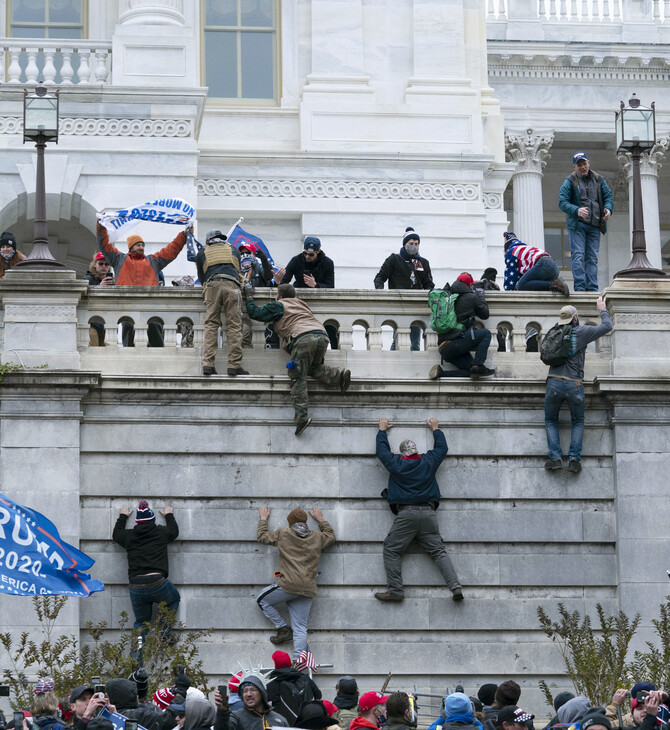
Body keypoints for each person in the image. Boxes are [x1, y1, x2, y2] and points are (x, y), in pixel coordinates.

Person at [375, 417, 463, 602]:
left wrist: (382, 431)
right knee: (439, 551)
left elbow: (382, 452)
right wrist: (436, 429)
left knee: (391, 549)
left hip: (406, 514)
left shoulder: (396, 464)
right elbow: (442, 449)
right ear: (416, 451)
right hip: (429, 514)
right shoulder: (428, 461)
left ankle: (396, 591)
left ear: (402, 454)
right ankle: (455, 587)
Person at [245, 283, 351, 436]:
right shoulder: (302, 304)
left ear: (279, 296)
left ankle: (301, 418)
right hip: (322, 336)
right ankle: (339, 377)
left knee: (297, 375)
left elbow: (255, 313)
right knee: (311, 368)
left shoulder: (279, 305)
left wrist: (249, 296)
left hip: (303, 339)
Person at [256, 507, 336, 658]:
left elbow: (262, 536)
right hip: (308, 589)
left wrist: (263, 519)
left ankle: (283, 628)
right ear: (306, 521)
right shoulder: (317, 537)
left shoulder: (283, 533)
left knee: (262, 599)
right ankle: (299, 662)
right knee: (300, 628)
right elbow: (331, 536)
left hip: (288, 585)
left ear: (289, 522)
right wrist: (320, 519)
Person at [544, 297, 612, 473]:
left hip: (553, 381)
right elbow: (607, 327)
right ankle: (574, 460)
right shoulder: (581, 332)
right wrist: (602, 309)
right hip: (574, 382)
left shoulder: (554, 332)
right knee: (578, 421)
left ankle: (555, 458)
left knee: (551, 420)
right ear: (575, 318)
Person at [97, 221, 189, 346]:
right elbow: (104, 246)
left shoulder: (153, 261)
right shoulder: (119, 259)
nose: (141, 247)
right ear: (131, 247)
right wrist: (101, 225)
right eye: (138, 245)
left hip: (151, 309)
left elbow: (171, 250)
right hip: (127, 310)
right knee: (129, 346)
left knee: (157, 345)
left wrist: (183, 236)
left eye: (142, 245)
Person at [112, 500, 180, 638]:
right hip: (157, 583)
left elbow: (116, 534)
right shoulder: (161, 532)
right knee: (173, 599)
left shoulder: (129, 536)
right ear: (152, 520)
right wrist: (169, 515)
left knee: (141, 622)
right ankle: (163, 632)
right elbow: (174, 531)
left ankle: (136, 656)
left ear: (137, 521)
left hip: (136, 585)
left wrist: (123, 516)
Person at [559, 152, 614, 292]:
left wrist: (608, 209)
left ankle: (592, 288)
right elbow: (562, 202)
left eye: (584, 164)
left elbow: (608, 196)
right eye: (579, 165)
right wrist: (576, 210)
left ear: (589, 163)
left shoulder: (598, 179)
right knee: (578, 256)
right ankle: (580, 287)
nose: (582, 167)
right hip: (578, 225)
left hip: (595, 225)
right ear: (574, 166)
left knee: (592, 258)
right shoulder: (570, 181)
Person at [195, 229, 247, 376]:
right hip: (232, 285)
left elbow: (201, 276)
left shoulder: (202, 252)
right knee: (234, 326)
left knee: (211, 324)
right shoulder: (233, 249)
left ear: (208, 240)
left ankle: (208, 364)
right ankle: (234, 365)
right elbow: (238, 270)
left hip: (212, 285)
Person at [374, 227, 434, 351]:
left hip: (417, 306)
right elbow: (380, 277)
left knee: (415, 341)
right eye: (411, 244)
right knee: (400, 338)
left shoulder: (422, 263)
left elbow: (428, 283)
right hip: (399, 304)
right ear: (405, 244)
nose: (414, 246)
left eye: (416, 244)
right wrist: (381, 293)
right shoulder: (395, 259)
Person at [275, 237, 337, 349]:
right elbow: (285, 282)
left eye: (311, 254)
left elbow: (330, 286)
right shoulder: (296, 260)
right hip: (299, 301)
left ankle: (334, 349)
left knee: (330, 326)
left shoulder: (328, 262)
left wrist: (315, 285)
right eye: (305, 253)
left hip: (320, 302)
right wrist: (278, 282)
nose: (307, 256)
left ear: (318, 251)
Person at [430, 272, 494, 379]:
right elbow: (485, 314)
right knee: (485, 334)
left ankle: (441, 373)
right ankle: (478, 364)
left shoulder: (448, 298)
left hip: (444, 349)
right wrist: (480, 296)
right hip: (456, 343)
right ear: (469, 286)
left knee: (471, 371)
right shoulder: (472, 297)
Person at [503, 232, 569, 295]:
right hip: (554, 268)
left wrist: (509, 292)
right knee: (533, 285)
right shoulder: (525, 249)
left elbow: (511, 276)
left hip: (544, 264)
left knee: (520, 285)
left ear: (507, 249)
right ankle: (558, 284)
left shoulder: (511, 251)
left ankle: (555, 284)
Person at [214, 674, 289, 730]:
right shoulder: (237, 717)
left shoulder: (280, 720)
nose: (248, 694)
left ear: (262, 693)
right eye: (245, 691)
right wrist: (222, 710)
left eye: (253, 690)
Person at [266, 649, 322, 724]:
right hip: (305, 722)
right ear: (290, 663)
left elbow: (262, 701)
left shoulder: (272, 684)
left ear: (276, 665)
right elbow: (318, 695)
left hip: (283, 724)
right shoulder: (305, 678)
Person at [82, 252, 114, 347]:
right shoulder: (89, 279)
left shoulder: (112, 282)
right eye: (100, 263)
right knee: (93, 351)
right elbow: (80, 291)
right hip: (92, 323)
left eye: (106, 264)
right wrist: (99, 287)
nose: (103, 266)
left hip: (106, 324)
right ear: (95, 265)